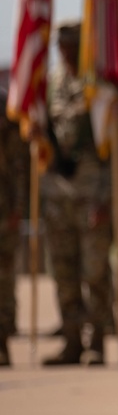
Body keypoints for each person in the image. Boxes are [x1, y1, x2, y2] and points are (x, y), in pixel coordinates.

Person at [39, 21, 114, 366]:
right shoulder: (49, 84)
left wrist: (108, 198)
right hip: (57, 196)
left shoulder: (98, 89)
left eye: (73, 46)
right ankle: (71, 340)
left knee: (95, 272)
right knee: (64, 272)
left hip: (91, 196)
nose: (66, 53)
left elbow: (113, 150)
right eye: (62, 46)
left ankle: (96, 340)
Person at [0, 88, 29, 367]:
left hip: (4, 211)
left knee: (3, 280)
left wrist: (18, 206)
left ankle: (2, 341)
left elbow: (19, 165)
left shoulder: (5, 110)